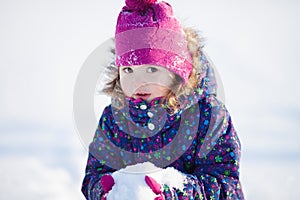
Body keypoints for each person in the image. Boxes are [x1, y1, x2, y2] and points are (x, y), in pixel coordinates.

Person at [81, 0, 244, 199]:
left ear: (177, 73)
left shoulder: (208, 116)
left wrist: (174, 192)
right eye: (128, 70)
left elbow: (226, 185)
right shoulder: (114, 118)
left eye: (152, 69)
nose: (138, 81)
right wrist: (105, 191)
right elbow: (94, 175)